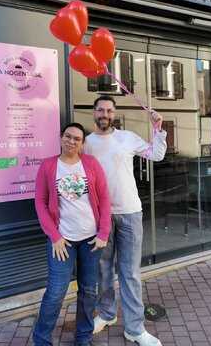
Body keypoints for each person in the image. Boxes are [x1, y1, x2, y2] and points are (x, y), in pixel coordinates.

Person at [84, 96, 167, 346]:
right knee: (103, 270)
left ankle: (134, 329)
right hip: (101, 217)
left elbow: (157, 154)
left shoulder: (127, 137)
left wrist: (158, 128)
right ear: (94, 113)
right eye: (100, 109)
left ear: (114, 113)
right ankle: (107, 314)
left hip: (130, 213)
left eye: (109, 110)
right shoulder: (86, 143)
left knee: (129, 272)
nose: (104, 114)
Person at [33, 122, 111, 346]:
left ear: (82, 144)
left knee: (88, 291)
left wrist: (103, 232)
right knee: (56, 292)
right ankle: (41, 340)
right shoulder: (48, 166)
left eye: (77, 139)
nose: (71, 141)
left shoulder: (91, 163)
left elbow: (104, 199)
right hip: (62, 241)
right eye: (68, 136)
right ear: (60, 138)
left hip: (91, 240)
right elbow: (40, 202)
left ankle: (83, 338)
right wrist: (54, 236)